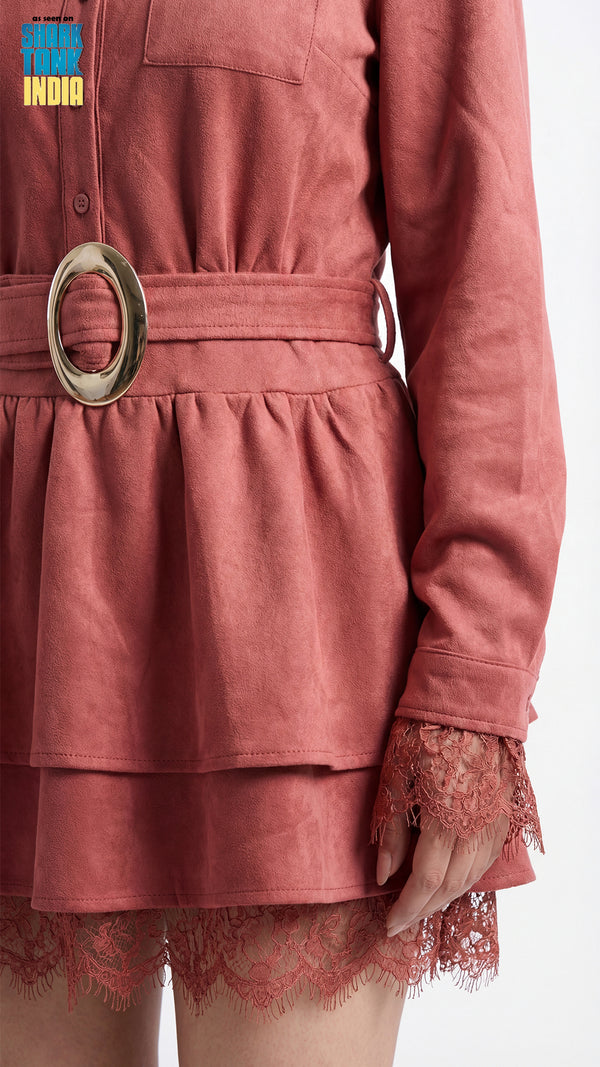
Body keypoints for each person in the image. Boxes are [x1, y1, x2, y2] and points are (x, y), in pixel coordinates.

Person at [0, 1, 566, 1064]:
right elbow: (52, 76)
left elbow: (480, 269)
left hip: (293, 598)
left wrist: (473, 670)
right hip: (28, 597)